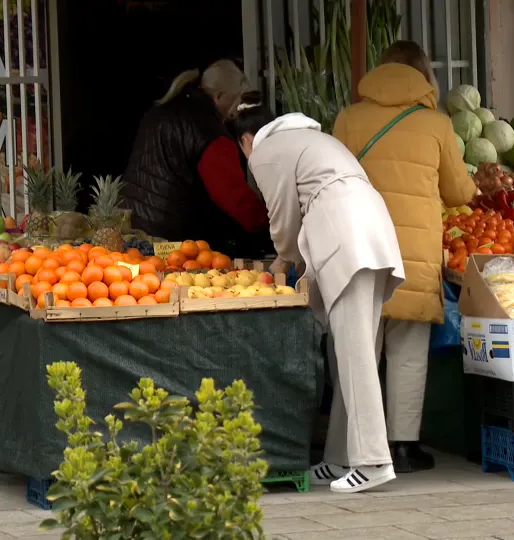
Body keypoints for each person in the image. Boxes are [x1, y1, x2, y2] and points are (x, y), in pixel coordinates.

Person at [231, 92, 405, 493]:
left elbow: (282, 216)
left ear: (245, 140)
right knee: (347, 351)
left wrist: (282, 261)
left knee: (355, 354)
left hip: (345, 236)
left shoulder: (264, 151)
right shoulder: (312, 137)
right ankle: (340, 457)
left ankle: (374, 461)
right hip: (369, 229)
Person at [333, 40, 477, 472]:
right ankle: (401, 447)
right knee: (408, 353)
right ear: (422, 75)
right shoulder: (435, 123)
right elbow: (457, 192)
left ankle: (347, 447)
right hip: (410, 254)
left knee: (357, 350)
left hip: (357, 248)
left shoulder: (348, 118)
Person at [120, 60, 270, 256]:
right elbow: (235, 198)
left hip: (133, 231)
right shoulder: (208, 130)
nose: (235, 113)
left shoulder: (163, 109)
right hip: (170, 242)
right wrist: (269, 225)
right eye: (235, 102)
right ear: (219, 96)